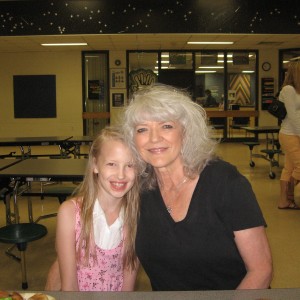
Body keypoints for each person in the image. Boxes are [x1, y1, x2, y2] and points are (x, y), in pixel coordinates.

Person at [122, 83, 273, 291]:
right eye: (142, 129)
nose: (154, 138)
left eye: (166, 126)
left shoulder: (226, 182)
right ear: (133, 140)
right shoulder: (137, 189)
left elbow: (260, 270)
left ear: (185, 132)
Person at [45, 126, 140, 291]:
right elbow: (69, 287)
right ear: (95, 165)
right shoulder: (70, 213)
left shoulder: (136, 216)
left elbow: (128, 288)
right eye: (111, 164)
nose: (120, 175)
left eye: (130, 165)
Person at [278, 61, 300, 210]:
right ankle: (289, 196)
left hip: (296, 133)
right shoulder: (288, 90)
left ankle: (284, 201)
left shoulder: (297, 91)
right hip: (289, 134)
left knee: (289, 168)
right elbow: (293, 116)